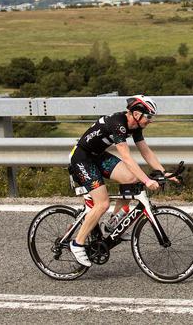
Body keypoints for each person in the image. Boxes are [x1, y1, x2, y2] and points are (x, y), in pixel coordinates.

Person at [67, 94, 164, 267]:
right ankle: (77, 243)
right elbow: (126, 158)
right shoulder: (118, 123)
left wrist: (164, 173)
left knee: (132, 178)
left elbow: (146, 152)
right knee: (102, 203)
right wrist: (148, 180)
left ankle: (112, 224)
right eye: (148, 116)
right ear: (136, 114)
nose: (151, 121)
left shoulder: (135, 126)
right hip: (82, 158)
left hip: (97, 156)